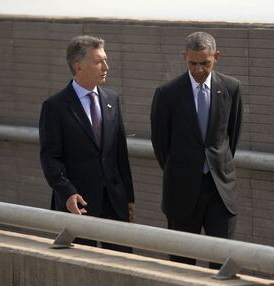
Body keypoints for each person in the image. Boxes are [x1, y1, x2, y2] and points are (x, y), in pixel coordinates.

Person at [150, 32, 243, 268]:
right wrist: (184, 169)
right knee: (181, 265)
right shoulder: (167, 94)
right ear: (184, 57)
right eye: (193, 63)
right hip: (181, 192)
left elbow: (231, 137)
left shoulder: (231, 88)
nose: (199, 69)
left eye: (205, 63)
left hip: (220, 192)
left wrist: (215, 165)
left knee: (222, 263)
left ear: (216, 57)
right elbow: (161, 145)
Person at [39, 35, 135, 252]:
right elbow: (50, 157)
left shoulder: (112, 99)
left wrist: (129, 197)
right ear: (78, 67)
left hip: (114, 203)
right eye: (98, 61)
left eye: (105, 60)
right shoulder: (55, 106)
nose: (106, 66)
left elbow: (120, 153)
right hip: (78, 205)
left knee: (122, 264)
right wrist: (67, 193)